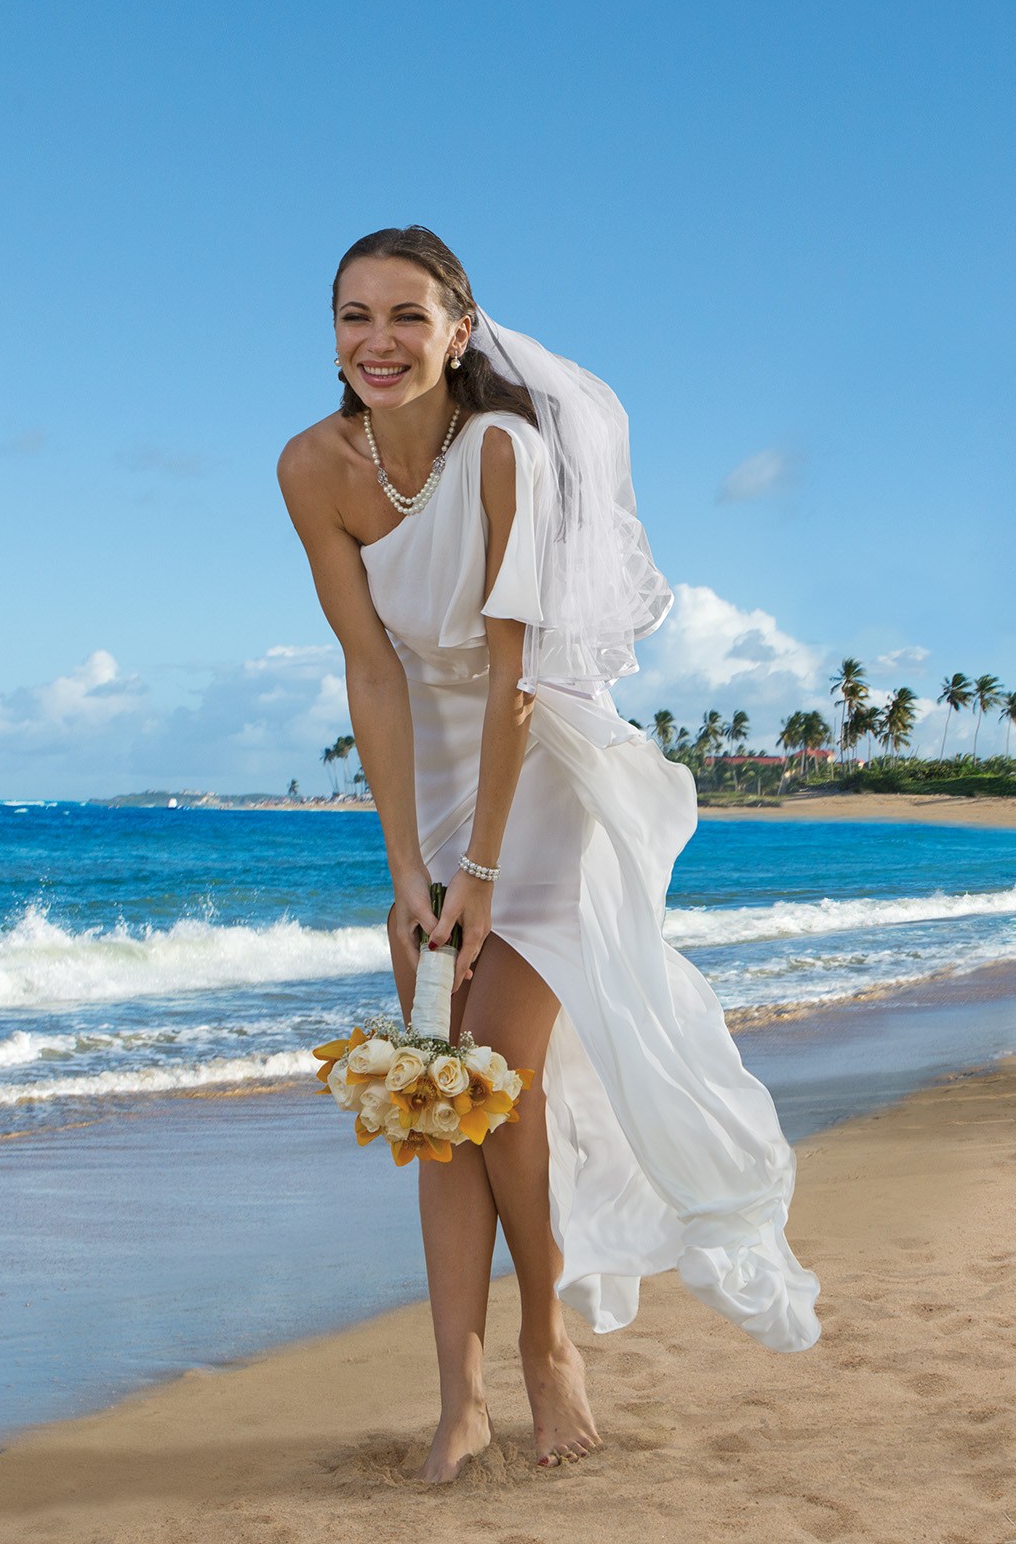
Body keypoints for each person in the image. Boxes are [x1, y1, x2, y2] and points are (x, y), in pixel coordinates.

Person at [279, 227, 819, 1479]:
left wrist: (476, 874)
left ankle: (544, 1343)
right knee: (435, 1098)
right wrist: (406, 872)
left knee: (493, 1074)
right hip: (432, 784)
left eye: (408, 316)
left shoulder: (504, 450)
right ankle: (459, 1398)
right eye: (356, 316)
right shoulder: (311, 467)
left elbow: (514, 675)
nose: (378, 342)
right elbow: (372, 672)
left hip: (542, 778)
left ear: (459, 330)